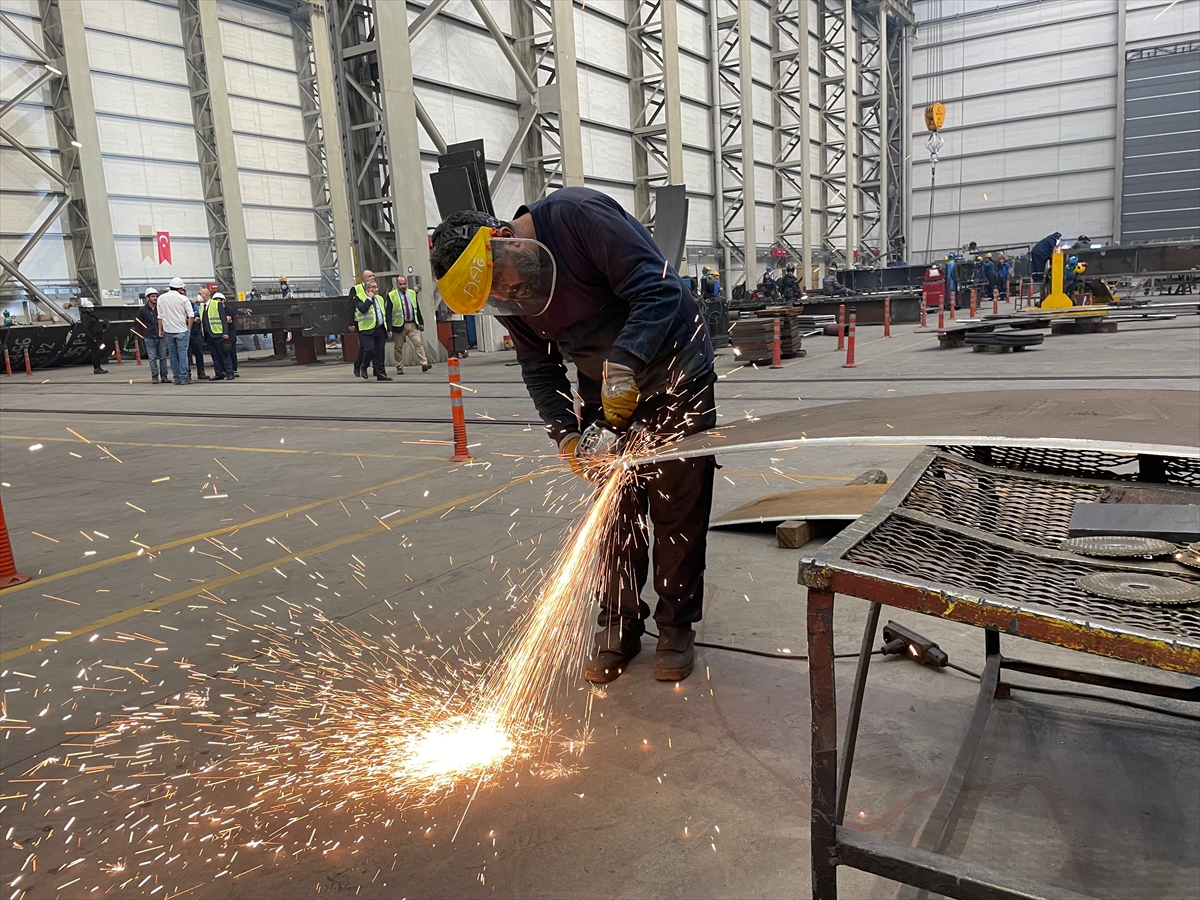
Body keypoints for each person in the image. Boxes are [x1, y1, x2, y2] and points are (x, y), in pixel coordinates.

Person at [430, 187, 716, 684]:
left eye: (501, 282)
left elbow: (659, 289)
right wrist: (564, 434)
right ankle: (619, 623)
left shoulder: (578, 218)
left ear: (505, 239)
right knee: (615, 515)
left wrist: (625, 364)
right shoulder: (514, 295)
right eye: (495, 297)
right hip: (604, 391)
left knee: (678, 510)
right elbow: (539, 369)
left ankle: (676, 627)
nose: (507, 297)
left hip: (676, 374)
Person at [387, 275, 431, 374]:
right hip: (399, 326)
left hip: (412, 324)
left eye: (404, 284)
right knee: (398, 347)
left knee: (418, 343)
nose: (403, 286)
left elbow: (417, 308)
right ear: (397, 284)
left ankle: (424, 363)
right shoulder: (391, 295)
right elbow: (388, 313)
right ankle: (399, 366)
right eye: (400, 284)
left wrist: (421, 322)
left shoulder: (412, 293)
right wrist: (389, 328)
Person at [351, 279, 392, 381]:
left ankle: (381, 373)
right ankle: (364, 366)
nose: (376, 289)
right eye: (373, 287)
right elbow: (362, 309)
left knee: (380, 353)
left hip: (380, 328)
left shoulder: (380, 298)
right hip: (367, 329)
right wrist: (369, 298)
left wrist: (388, 329)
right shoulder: (359, 297)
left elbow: (383, 314)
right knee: (370, 350)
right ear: (367, 289)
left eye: (376, 287)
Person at [157, 276, 193, 384]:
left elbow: (160, 316)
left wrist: (160, 330)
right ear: (180, 288)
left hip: (168, 331)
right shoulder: (183, 299)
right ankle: (184, 377)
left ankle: (177, 377)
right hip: (182, 330)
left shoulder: (161, 298)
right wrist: (189, 328)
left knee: (172, 355)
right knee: (182, 354)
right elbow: (191, 315)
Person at [135, 288, 169, 384]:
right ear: (147, 298)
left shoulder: (160, 308)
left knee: (163, 357)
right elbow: (138, 322)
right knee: (152, 357)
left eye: (156, 296)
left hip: (161, 336)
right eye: (153, 296)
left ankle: (164, 376)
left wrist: (163, 330)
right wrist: (144, 332)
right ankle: (155, 376)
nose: (155, 298)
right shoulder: (143, 310)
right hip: (149, 336)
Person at [200, 290, 234, 380]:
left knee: (224, 354)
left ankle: (230, 373)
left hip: (218, 333)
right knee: (214, 355)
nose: (199, 296)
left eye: (200, 294)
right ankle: (219, 373)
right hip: (208, 335)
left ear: (206, 295)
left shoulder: (216, 304)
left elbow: (223, 319)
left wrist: (225, 332)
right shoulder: (201, 307)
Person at [78, 298, 107, 374]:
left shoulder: (92, 316)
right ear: (85, 309)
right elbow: (86, 328)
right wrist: (92, 338)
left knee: (98, 352)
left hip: (98, 336)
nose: (91, 309)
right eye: (89, 308)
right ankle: (96, 368)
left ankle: (99, 367)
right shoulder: (85, 317)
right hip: (93, 337)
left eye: (91, 308)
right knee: (95, 353)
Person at [188, 286, 209, 380]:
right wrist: (189, 320)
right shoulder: (179, 306)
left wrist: (198, 318)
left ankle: (201, 372)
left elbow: (200, 314)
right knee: (184, 354)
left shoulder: (192, 305)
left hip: (195, 332)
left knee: (199, 353)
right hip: (185, 332)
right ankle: (187, 374)